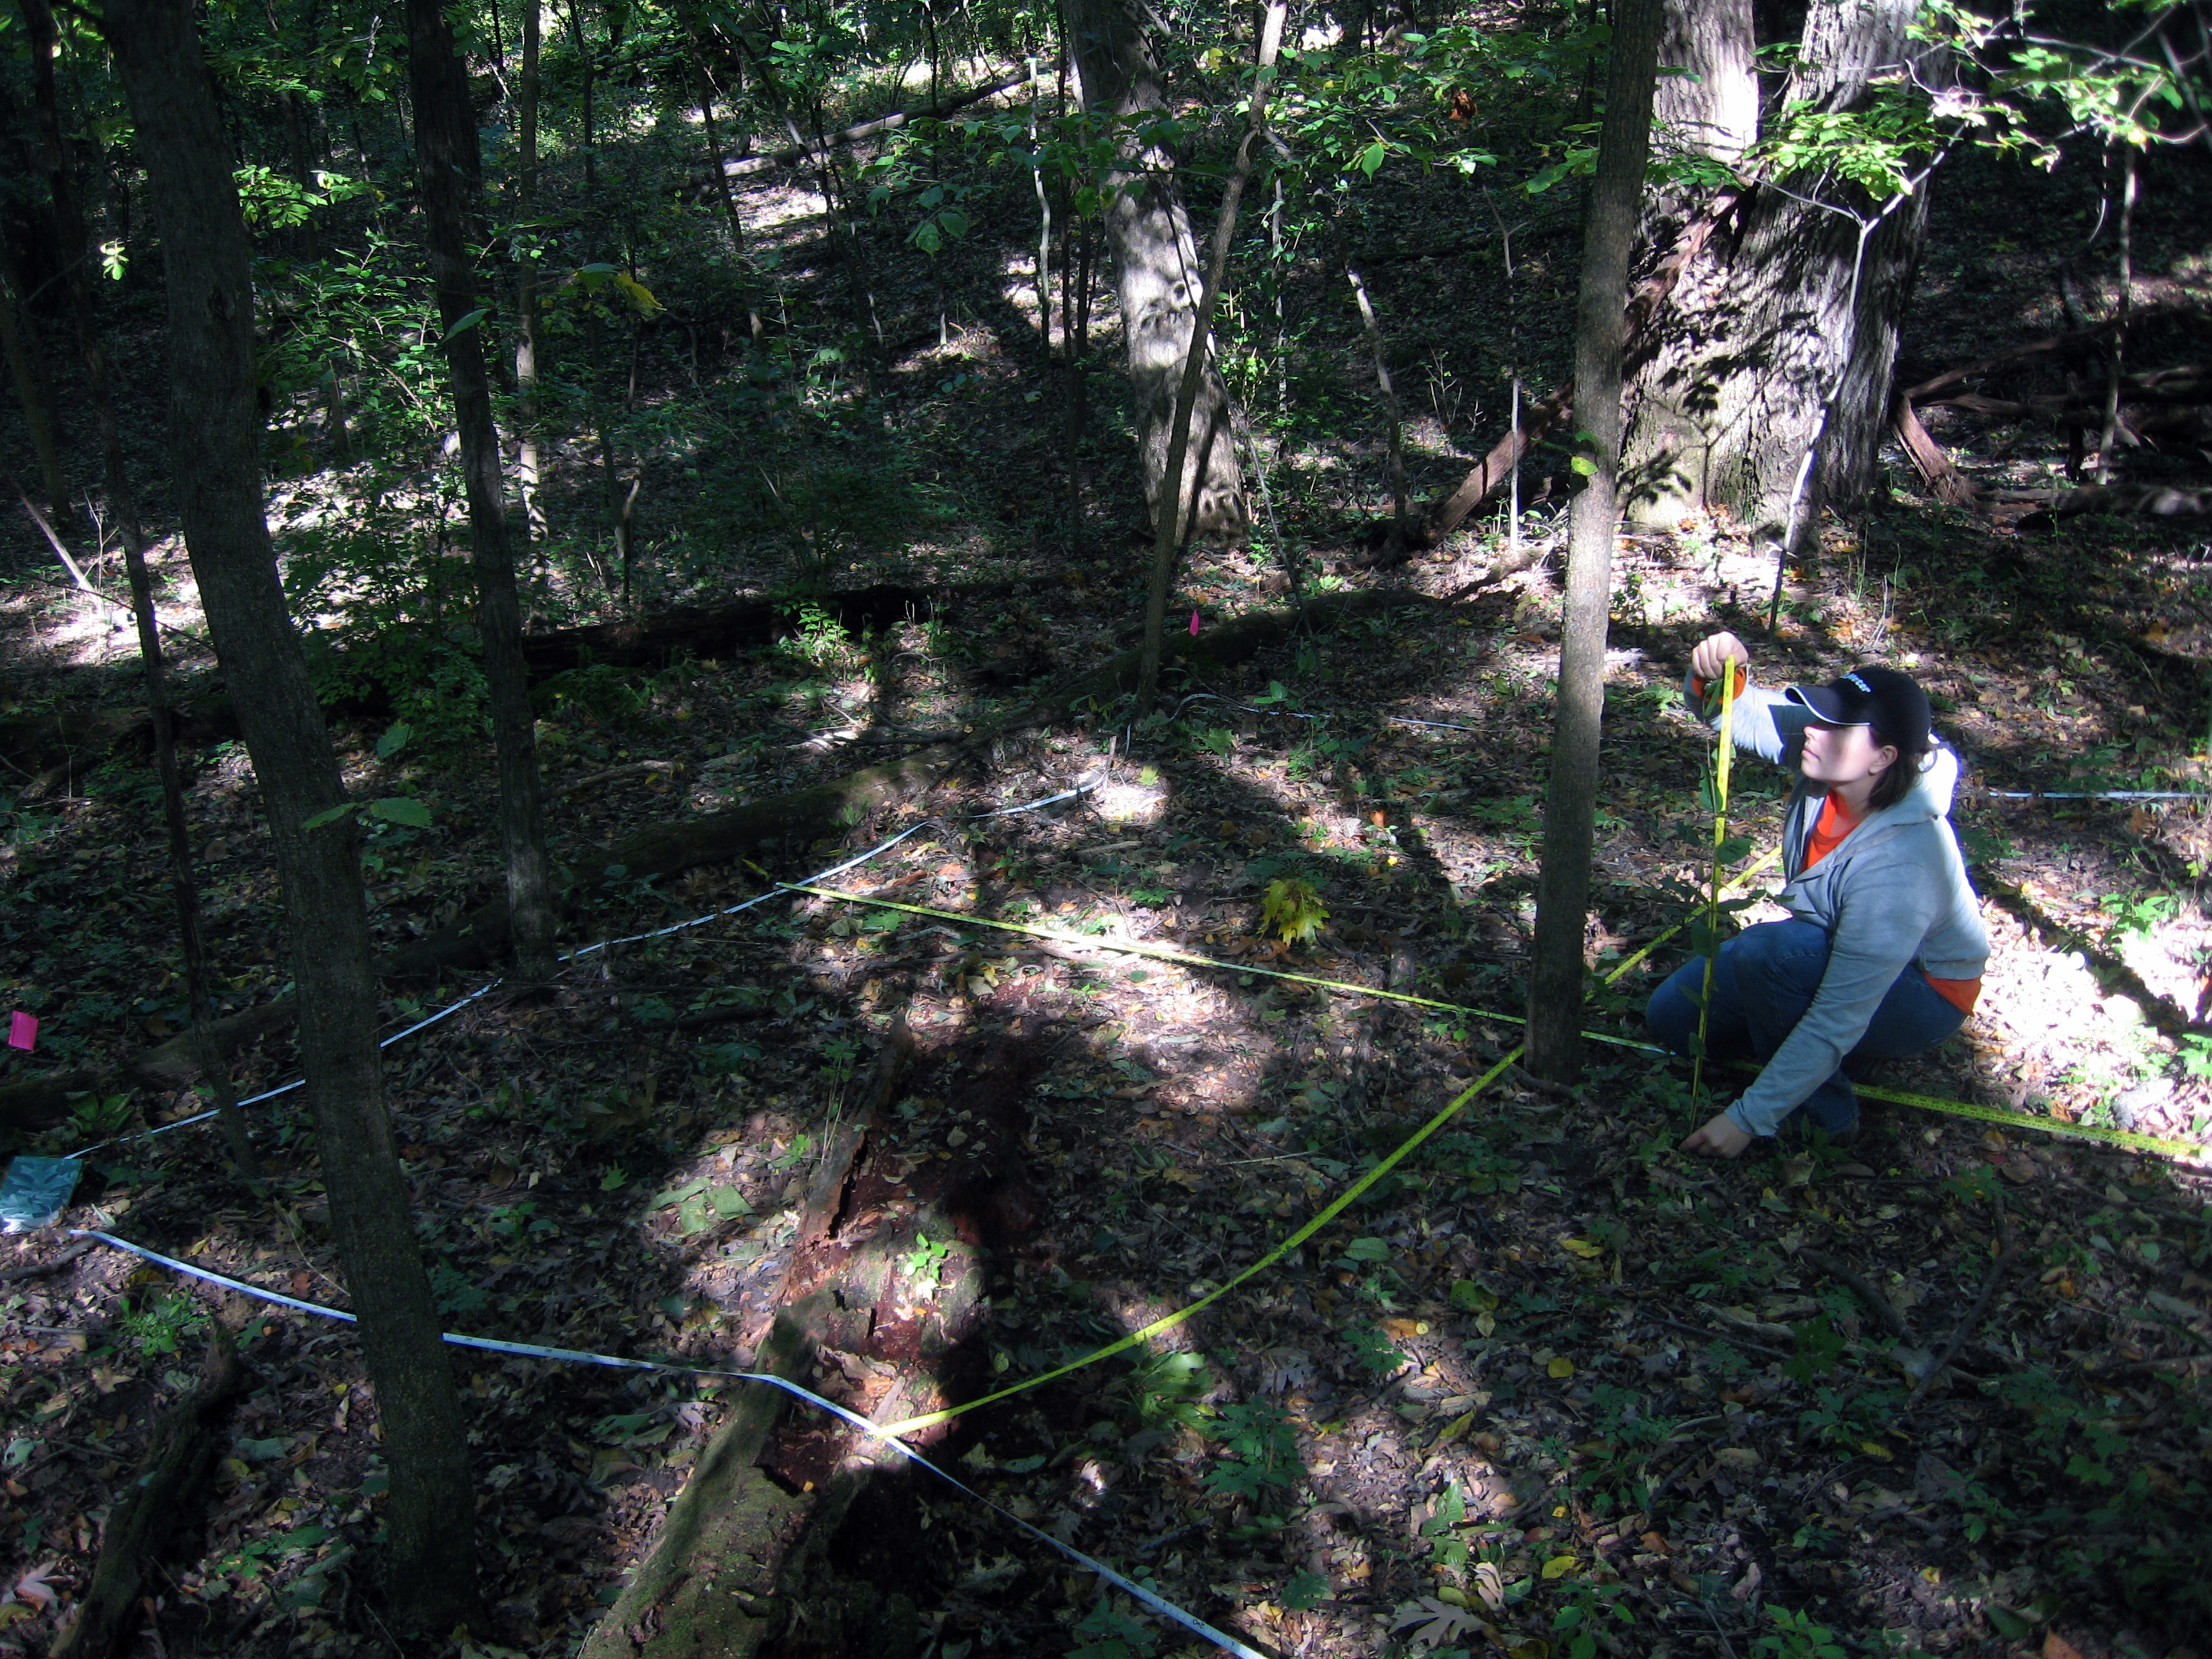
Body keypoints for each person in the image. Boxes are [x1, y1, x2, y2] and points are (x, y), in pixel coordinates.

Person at [1647, 633, 1989, 1158]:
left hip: (1920, 990)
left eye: (1835, 726)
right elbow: (1735, 712)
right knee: (1670, 1021)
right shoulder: (1832, 764)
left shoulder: (1902, 863)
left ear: (1884, 757)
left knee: (1770, 956)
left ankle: (1826, 1117)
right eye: (1818, 716)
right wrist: (1719, 670)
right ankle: (1801, 1056)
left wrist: (1747, 1118)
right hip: (1827, 944)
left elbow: (1839, 1014)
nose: (1813, 730)